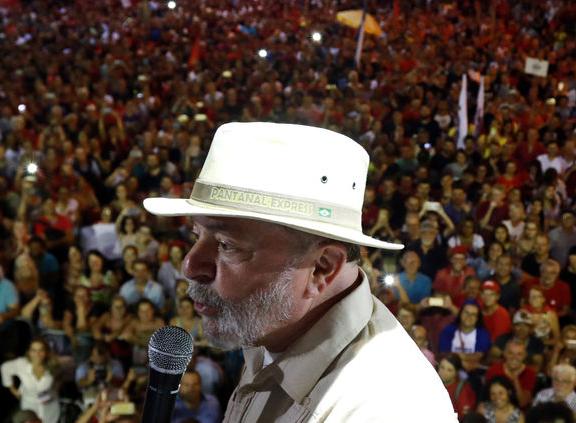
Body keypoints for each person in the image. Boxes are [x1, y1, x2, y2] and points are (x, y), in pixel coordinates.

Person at [142, 123, 456, 421]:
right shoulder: (270, 327)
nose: (190, 266)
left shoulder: (381, 410)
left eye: (226, 244)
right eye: (197, 237)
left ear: (321, 269)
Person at [1, 338, 61, 423]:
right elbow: (5, 367)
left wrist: (53, 393)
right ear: (29, 352)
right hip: (29, 407)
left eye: (41, 350)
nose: (37, 354)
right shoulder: (21, 364)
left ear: (46, 352)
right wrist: (12, 389)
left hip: (49, 408)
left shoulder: (53, 365)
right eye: (34, 350)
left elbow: (59, 380)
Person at [485, 340, 536, 409]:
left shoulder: (530, 373)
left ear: (524, 356)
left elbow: (522, 403)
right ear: (505, 353)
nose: (514, 357)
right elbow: (488, 397)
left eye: (519, 354)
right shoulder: (493, 369)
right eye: (511, 353)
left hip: (518, 412)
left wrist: (515, 379)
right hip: (495, 408)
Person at [439, 353, 477, 419]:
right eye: (442, 367)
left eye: (449, 370)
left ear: (457, 372)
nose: (443, 372)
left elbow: (464, 417)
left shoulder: (462, 390)